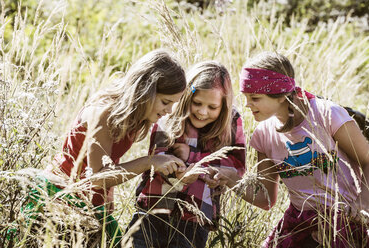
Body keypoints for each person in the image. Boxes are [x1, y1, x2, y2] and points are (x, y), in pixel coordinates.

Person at [21, 49, 187, 246]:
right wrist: (149, 162)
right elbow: (97, 177)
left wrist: (106, 202)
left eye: (173, 104)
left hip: (89, 205)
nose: (168, 111)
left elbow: (108, 161)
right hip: (60, 198)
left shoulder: (132, 115)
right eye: (165, 102)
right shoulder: (104, 113)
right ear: (145, 90)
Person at [206, 52, 369, 247]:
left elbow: (367, 160)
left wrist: (362, 202)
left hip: (344, 218)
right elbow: (265, 200)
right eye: (246, 97)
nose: (247, 105)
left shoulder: (327, 115)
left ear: (281, 95)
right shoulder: (263, 135)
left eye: (255, 98)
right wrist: (232, 178)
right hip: (299, 223)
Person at [126, 61, 247, 248]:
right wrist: (179, 174)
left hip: (194, 220)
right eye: (197, 103)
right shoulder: (168, 115)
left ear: (223, 106)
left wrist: (194, 159)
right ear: (186, 98)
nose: (202, 111)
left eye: (212, 107)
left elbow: (236, 165)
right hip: (153, 211)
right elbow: (158, 157)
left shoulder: (231, 121)